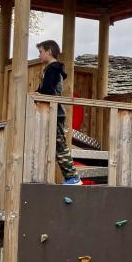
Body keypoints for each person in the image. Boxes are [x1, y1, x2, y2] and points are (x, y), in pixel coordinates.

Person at [36, 40, 82, 185]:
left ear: (49, 51)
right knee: (55, 145)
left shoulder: (53, 68)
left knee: (60, 146)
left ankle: (72, 176)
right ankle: (69, 176)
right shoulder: (50, 69)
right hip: (52, 112)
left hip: (55, 113)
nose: (39, 54)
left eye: (41, 51)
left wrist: (37, 94)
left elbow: (48, 91)